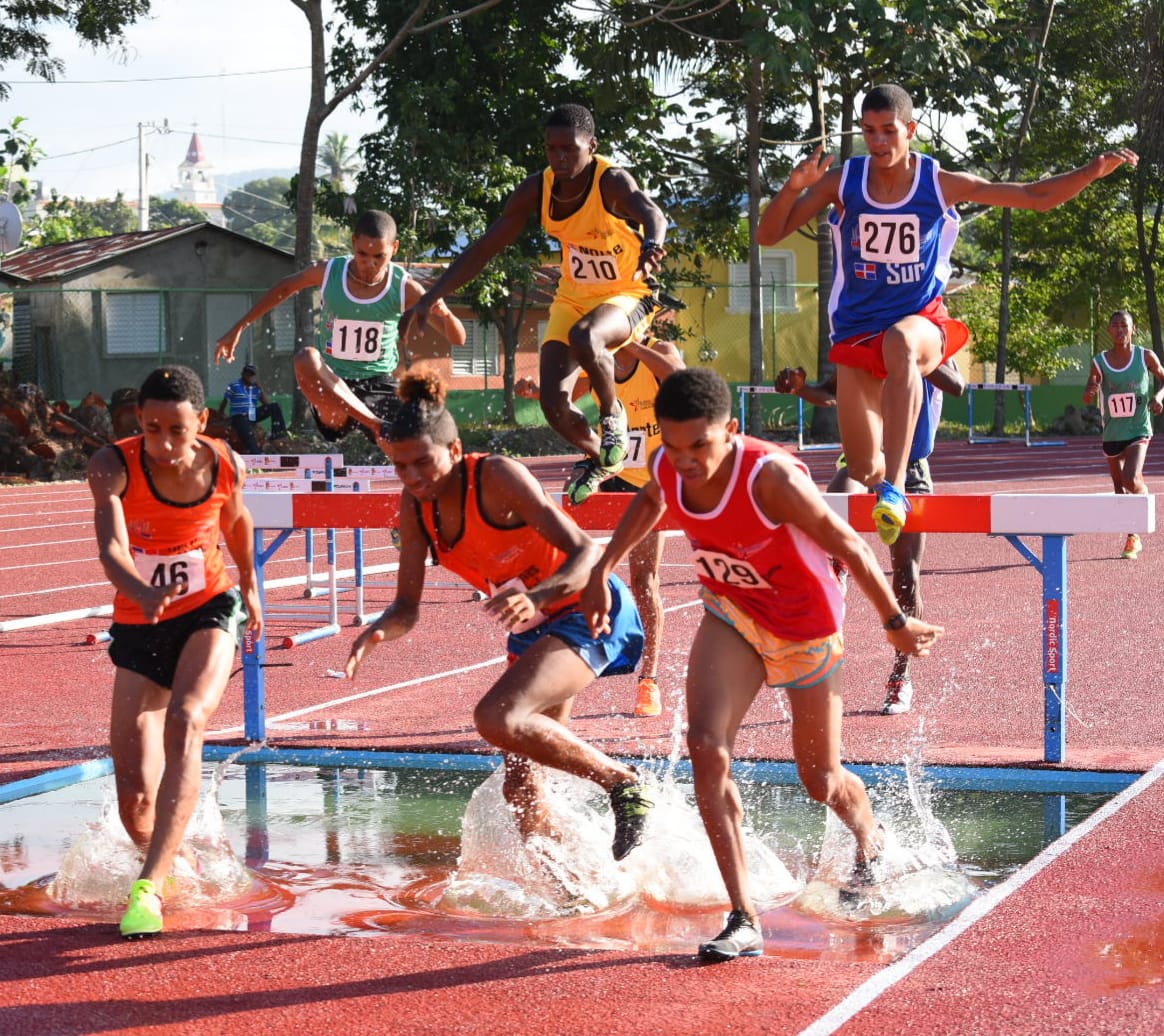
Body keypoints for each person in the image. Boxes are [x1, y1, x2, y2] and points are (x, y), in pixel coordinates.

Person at [580, 367, 943, 961]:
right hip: (733, 613)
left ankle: (870, 839)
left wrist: (895, 625)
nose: (687, 461)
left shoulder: (769, 478)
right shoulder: (671, 464)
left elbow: (848, 544)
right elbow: (651, 498)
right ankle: (743, 916)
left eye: (700, 445)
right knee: (705, 743)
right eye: (673, 447)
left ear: (732, 428)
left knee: (820, 780)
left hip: (805, 629)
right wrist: (601, 569)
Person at [757, 82, 1138, 547]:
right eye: (868, 132)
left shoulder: (937, 183)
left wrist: (1092, 170)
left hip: (922, 322)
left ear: (910, 130)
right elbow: (769, 235)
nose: (878, 142)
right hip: (857, 329)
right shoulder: (844, 181)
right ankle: (882, 478)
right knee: (859, 466)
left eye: (888, 131)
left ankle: (895, 487)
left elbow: (1033, 195)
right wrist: (794, 187)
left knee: (900, 342)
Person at [344, 368, 653, 860]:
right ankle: (584, 885)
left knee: (497, 716)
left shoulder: (496, 476)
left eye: (422, 462)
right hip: (534, 630)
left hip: (587, 606)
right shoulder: (415, 506)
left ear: (454, 448)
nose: (413, 478)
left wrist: (539, 597)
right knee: (521, 791)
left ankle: (623, 784)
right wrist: (380, 629)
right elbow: (407, 606)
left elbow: (585, 553)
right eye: (400, 467)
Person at [398, 103, 670, 505]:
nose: (560, 158)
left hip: (629, 294)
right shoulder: (537, 189)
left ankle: (613, 416)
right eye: (551, 149)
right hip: (573, 297)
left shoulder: (609, 181)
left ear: (591, 146)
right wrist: (432, 296)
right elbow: (486, 246)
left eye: (570, 149)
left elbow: (651, 212)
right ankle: (603, 459)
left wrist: (653, 243)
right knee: (554, 405)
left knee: (587, 337)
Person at [86, 365, 261, 939]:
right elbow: (111, 546)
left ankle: (149, 886)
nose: (163, 443)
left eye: (177, 431)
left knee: (187, 720)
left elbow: (237, 522)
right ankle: (180, 860)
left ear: (202, 423)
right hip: (140, 622)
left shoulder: (223, 462)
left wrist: (252, 586)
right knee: (134, 796)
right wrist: (140, 590)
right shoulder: (112, 465)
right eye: (152, 427)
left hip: (208, 608)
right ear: (138, 419)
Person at [775, 357, 965, 713]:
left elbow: (957, 385)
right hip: (863, 458)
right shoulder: (868, 335)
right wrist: (801, 389)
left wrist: (911, 353)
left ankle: (900, 677)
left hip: (911, 464)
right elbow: (831, 395)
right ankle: (839, 563)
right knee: (830, 505)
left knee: (906, 576)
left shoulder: (930, 334)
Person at [516, 322, 685, 718]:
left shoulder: (660, 349)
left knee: (645, 579)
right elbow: (566, 398)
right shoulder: (597, 365)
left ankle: (650, 680)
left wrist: (633, 344)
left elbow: (678, 378)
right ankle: (548, 655)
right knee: (561, 538)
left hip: (654, 484)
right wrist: (535, 393)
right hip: (613, 475)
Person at [215, 210, 466, 446]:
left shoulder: (404, 287)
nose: (369, 264)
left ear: (394, 248)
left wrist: (444, 313)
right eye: (362, 254)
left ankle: (381, 431)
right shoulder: (329, 272)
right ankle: (374, 423)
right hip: (333, 387)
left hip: (378, 385)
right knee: (306, 358)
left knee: (412, 445)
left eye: (379, 257)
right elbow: (284, 288)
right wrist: (239, 326)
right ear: (353, 243)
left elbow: (458, 338)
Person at [1082, 309, 1164, 560]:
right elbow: (1087, 397)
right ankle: (1132, 537)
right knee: (1119, 490)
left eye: (1124, 326)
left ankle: (1142, 494)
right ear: (1109, 331)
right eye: (1115, 326)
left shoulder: (1145, 356)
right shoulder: (1099, 361)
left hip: (1139, 428)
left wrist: (1159, 397)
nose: (1120, 330)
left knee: (1131, 478)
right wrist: (1091, 391)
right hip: (1112, 432)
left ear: (1133, 329)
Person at [218, 363, 289, 454]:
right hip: (239, 415)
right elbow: (225, 401)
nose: (249, 376)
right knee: (249, 435)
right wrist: (221, 413)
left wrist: (260, 388)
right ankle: (256, 454)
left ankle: (277, 435)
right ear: (243, 374)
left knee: (275, 407)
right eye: (248, 373)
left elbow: (267, 404)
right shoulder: (234, 385)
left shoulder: (255, 387)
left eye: (252, 374)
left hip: (252, 414)